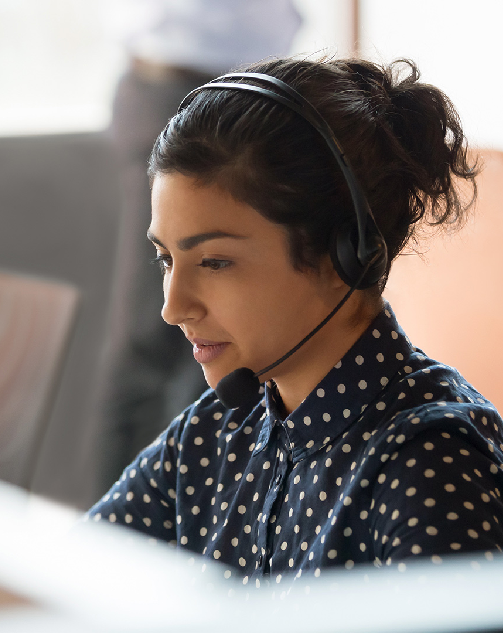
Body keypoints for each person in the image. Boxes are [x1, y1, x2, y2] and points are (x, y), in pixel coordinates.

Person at [89, 57, 503, 581]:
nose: (173, 307)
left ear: (345, 254)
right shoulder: (215, 432)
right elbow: (74, 581)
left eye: (214, 262)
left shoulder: (432, 466)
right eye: (168, 260)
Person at [99, 0, 303, 488]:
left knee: (221, 344)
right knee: (155, 335)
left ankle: (206, 525)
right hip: (176, 81)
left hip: (251, 89)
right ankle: (112, 542)